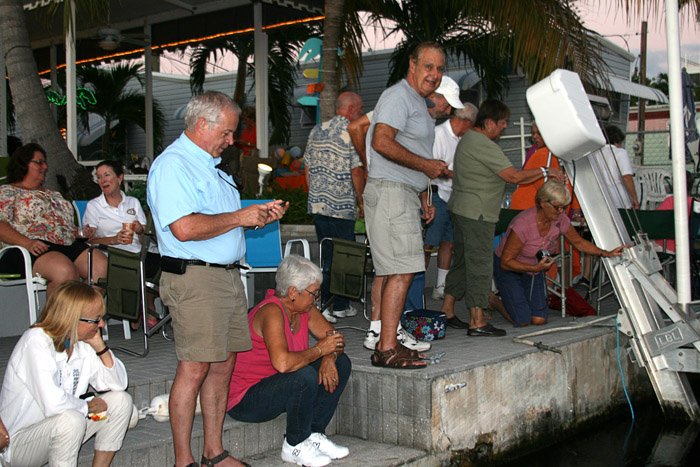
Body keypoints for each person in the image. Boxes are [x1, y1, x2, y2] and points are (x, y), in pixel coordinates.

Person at [147, 91, 288, 467]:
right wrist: (241, 218)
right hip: (195, 279)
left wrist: (256, 215)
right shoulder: (173, 166)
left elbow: (219, 223)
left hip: (226, 278)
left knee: (223, 365)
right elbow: (185, 227)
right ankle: (183, 461)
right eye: (226, 133)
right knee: (194, 368)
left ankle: (214, 451)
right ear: (202, 125)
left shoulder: (209, 167)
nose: (230, 141)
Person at [440, 100, 566, 337]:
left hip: (461, 209)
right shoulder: (483, 144)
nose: (505, 127)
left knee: (463, 262)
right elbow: (514, 177)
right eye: (502, 123)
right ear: (488, 123)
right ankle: (476, 321)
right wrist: (545, 171)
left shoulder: (468, 139)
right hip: (477, 213)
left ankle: (447, 311)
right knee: (479, 265)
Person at [363, 41, 450, 369]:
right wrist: (426, 169)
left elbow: (414, 156)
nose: (435, 74)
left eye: (440, 69)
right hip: (390, 193)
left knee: (401, 269)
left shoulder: (418, 102)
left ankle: (388, 343)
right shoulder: (399, 96)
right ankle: (386, 348)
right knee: (401, 270)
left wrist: (424, 196)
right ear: (412, 66)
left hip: (403, 193)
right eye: (429, 66)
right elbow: (380, 141)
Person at [227, 255, 350, 467]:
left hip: (278, 386)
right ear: (293, 292)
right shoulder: (271, 311)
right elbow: (283, 364)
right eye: (314, 293)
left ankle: (314, 434)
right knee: (303, 375)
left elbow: (336, 339)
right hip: (245, 399)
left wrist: (329, 356)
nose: (316, 299)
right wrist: (320, 349)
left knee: (341, 362)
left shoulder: (304, 309)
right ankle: (294, 444)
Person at [0, 281, 131, 466]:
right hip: (18, 444)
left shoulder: (80, 343)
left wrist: (100, 347)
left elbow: (118, 384)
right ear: (72, 318)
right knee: (72, 420)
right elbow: (53, 404)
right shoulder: (36, 341)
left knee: (121, 401)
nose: (101, 324)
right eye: (95, 319)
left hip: (61, 429)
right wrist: (88, 407)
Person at [494, 181, 625, 326]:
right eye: (558, 207)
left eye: (565, 207)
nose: (562, 211)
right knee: (522, 320)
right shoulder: (523, 224)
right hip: (509, 267)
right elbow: (506, 262)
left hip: (533, 267)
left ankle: (519, 297)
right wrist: (535, 269)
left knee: (539, 320)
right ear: (543, 203)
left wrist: (606, 253)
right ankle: (495, 301)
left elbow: (579, 242)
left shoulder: (560, 219)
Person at [0, 143, 107, 297]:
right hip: (28, 247)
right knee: (65, 271)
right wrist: (26, 242)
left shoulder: (54, 194)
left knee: (101, 267)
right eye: (39, 162)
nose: (45, 166)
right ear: (23, 164)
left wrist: (78, 232)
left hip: (66, 244)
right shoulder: (8, 192)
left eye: (45, 162)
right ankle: (57, 321)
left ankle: (83, 317)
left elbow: (63, 224)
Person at [304, 92, 365, 322]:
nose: (360, 112)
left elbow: (307, 167)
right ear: (350, 109)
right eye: (359, 109)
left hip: (319, 205)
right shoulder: (351, 132)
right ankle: (336, 304)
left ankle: (328, 304)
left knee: (326, 254)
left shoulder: (316, 130)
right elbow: (356, 171)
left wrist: (315, 194)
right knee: (344, 257)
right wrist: (361, 200)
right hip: (341, 205)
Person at [83, 160, 160, 330]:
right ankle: (137, 309)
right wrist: (113, 240)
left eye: (107, 175)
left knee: (165, 266)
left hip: (137, 254)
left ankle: (146, 304)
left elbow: (144, 239)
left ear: (119, 178)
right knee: (131, 268)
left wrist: (140, 230)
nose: (102, 180)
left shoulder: (132, 202)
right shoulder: (94, 206)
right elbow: (90, 241)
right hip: (112, 255)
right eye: (99, 177)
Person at [426, 102, 478, 307]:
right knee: (428, 243)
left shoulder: (462, 139)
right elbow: (434, 168)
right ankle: (417, 284)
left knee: (449, 242)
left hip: (454, 196)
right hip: (436, 194)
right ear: (466, 121)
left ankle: (441, 286)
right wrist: (460, 176)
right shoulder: (439, 133)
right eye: (472, 125)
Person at [593, 125, 639, 210]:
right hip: (618, 197)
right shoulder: (620, 153)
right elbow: (627, 177)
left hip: (600, 196)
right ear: (617, 141)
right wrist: (635, 198)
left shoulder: (595, 153)